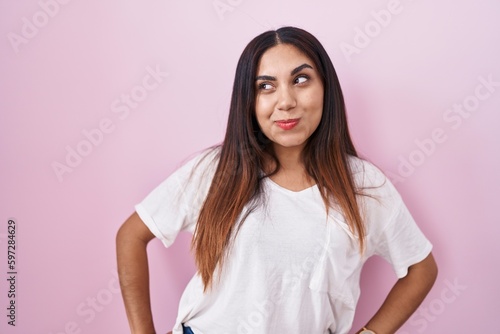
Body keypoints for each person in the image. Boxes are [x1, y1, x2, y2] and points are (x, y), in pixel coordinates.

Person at [116, 26, 438, 334]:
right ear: (249, 101)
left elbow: (421, 269)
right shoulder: (217, 170)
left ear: (325, 87)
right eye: (265, 86)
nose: (285, 101)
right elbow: (131, 235)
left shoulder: (364, 185)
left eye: (300, 79)